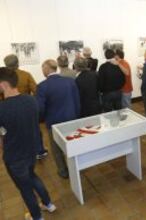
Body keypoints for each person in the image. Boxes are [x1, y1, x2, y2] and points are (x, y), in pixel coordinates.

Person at [0, 67, 56, 220]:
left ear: (3, 85)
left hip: (15, 157)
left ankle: (36, 216)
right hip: (31, 151)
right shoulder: (31, 100)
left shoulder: (2, 108)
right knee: (32, 177)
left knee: (25, 188)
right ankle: (48, 204)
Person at [36, 59, 80, 178]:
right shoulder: (70, 81)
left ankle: (63, 171)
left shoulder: (42, 86)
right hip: (71, 118)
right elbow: (77, 101)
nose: (42, 71)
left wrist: (41, 120)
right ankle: (76, 167)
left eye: (42, 68)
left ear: (47, 69)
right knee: (73, 144)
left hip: (54, 122)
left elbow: (40, 108)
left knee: (56, 149)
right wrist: (77, 117)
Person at [3, 54, 48, 160]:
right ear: (18, 63)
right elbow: (36, 90)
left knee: (14, 131)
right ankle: (39, 151)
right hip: (26, 106)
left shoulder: (3, 78)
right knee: (35, 129)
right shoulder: (26, 75)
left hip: (8, 108)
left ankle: (21, 152)